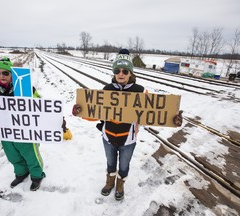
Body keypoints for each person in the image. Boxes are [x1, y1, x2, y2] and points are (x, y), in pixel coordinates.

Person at [72, 49, 183, 201]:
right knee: (111, 163)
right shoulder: (107, 90)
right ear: (114, 72)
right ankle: (109, 182)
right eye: (117, 70)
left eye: (125, 70)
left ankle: (120, 185)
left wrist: (172, 118)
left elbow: (154, 114)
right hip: (108, 137)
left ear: (130, 73)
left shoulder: (141, 92)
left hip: (128, 140)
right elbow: (96, 113)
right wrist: (81, 111)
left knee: (124, 166)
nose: (121, 73)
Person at [0, 57, 45, 191]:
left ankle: (37, 176)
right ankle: (21, 173)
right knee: (12, 155)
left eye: (5, 73)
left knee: (31, 154)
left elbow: (41, 104)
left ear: (12, 73)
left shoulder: (24, 87)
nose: (1, 76)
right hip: (6, 131)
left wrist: (56, 119)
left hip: (24, 130)